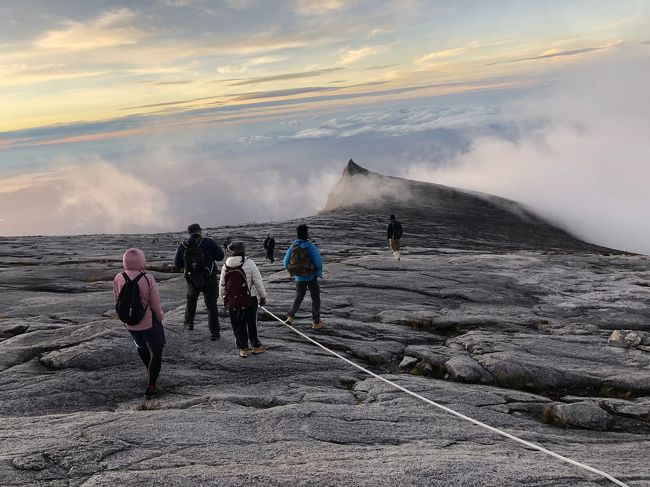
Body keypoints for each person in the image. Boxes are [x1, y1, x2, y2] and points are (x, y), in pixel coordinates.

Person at [113, 248, 166, 399]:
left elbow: (117, 300)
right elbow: (155, 304)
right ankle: (151, 385)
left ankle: (149, 372)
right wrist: (160, 317)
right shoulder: (148, 278)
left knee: (141, 346)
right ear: (141, 260)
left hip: (130, 323)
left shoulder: (119, 277)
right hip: (149, 323)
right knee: (157, 351)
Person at [174, 223, 224, 340]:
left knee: (191, 300)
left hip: (192, 278)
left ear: (189, 232)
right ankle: (214, 333)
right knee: (211, 305)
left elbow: (177, 264)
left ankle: (189, 324)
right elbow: (221, 256)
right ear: (200, 231)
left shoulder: (183, 245)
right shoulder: (208, 241)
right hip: (209, 277)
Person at [220, 242, 268, 358]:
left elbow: (222, 284)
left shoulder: (226, 265)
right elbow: (258, 281)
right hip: (249, 298)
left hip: (233, 300)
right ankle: (256, 346)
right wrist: (263, 297)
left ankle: (243, 348)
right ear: (243, 251)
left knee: (237, 324)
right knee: (251, 323)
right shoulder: (249, 263)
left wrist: (223, 299)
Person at [283, 224, 324, 329]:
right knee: (315, 298)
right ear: (306, 234)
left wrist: (293, 270)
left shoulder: (293, 246)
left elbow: (285, 262)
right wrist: (318, 273)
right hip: (311, 277)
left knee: (299, 297)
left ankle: (290, 316)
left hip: (299, 278)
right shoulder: (310, 246)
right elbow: (318, 262)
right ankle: (316, 322)